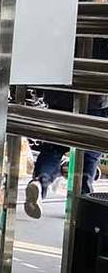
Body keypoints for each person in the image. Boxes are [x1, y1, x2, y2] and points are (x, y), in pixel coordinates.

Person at [24, 43, 108, 218]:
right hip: (96, 96)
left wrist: (41, 88)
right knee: (89, 154)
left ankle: (40, 182)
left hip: (61, 92)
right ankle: (83, 205)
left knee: (53, 147)